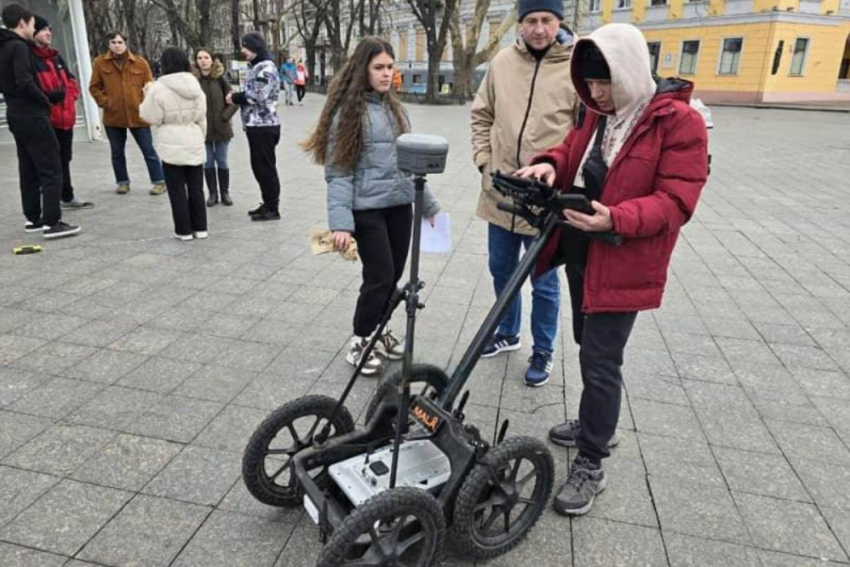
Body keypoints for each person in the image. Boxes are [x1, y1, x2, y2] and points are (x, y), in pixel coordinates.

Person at [517, 23, 709, 516]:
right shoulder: (598, 114)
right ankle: (593, 422)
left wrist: (615, 217)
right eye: (590, 85)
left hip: (623, 256)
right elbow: (572, 152)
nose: (597, 93)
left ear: (627, 72)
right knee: (588, 346)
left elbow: (675, 202)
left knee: (602, 360)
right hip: (583, 247)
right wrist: (548, 165)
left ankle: (591, 460)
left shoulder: (676, 123)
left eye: (604, 82)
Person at [303, 37, 440, 376]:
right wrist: (341, 224)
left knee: (393, 275)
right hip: (366, 209)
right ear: (362, 69)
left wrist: (429, 206)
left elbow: (409, 164)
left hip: (399, 205)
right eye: (379, 67)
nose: (386, 73)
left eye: (390, 67)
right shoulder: (346, 114)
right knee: (378, 277)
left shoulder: (395, 108)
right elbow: (338, 173)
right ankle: (360, 338)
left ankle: (379, 331)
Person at [470, 0, 577, 387]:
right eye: (531, 20)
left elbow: (583, 134)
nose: (538, 28)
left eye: (546, 20)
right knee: (501, 269)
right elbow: (481, 114)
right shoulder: (502, 63)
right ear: (521, 23)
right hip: (500, 191)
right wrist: (484, 161)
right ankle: (508, 333)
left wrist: (563, 177)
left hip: (544, 197)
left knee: (544, 281)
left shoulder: (575, 66)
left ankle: (543, 349)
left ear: (558, 22)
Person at [0, 4, 79, 239]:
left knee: (29, 167)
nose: (35, 29)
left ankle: (33, 218)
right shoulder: (18, 47)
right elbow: (25, 81)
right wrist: (44, 101)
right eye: (33, 24)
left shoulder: (3, 47)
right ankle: (52, 222)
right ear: (22, 23)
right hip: (32, 115)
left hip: (15, 113)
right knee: (51, 166)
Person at [139, 47, 208, 241]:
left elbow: (150, 116)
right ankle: (201, 228)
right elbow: (202, 115)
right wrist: (199, 136)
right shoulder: (195, 85)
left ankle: (183, 230)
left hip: (170, 139)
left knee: (176, 189)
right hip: (192, 135)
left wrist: (146, 96)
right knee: (196, 187)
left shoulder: (158, 88)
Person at [89, 31, 166, 195]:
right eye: (113, 42)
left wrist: (146, 102)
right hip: (113, 116)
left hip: (138, 115)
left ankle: (159, 181)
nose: (117, 45)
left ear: (125, 43)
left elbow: (150, 86)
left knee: (148, 150)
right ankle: (122, 182)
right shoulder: (100, 63)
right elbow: (94, 87)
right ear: (108, 44)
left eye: (119, 42)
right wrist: (106, 102)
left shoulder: (139, 62)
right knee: (117, 152)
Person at [31, 15, 93, 210]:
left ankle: (66, 195)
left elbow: (71, 79)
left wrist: (71, 96)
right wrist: (49, 98)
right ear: (32, 32)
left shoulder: (55, 56)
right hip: (48, 119)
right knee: (51, 162)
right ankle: (51, 198)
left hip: (66, 118)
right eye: (43, 30)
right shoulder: (30, 58)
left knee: (64, 159)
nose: (48, 33)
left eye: (49, 29)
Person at [225, 32, 281, 221]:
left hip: (264, 125)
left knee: (265, 168)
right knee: (259, 167)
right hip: (256, 125)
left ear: (256, 47)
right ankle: (267, 202)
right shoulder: (257, 66)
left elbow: (258, 95)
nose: (242, 51)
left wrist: (234, 97)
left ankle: (273, 208)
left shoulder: (265, 67)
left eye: (246, 47)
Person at [194, 47, 238, 206]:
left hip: (222, 128)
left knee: (222, 160)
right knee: (208, 162)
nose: (203, 61)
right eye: (200, 58)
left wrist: (225, 117)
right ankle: (213, 193)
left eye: (206, 57)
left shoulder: (220, 79)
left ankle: (225, 192)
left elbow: (234, 100)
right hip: (202, 129)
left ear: (212, 60)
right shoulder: (193, 81)